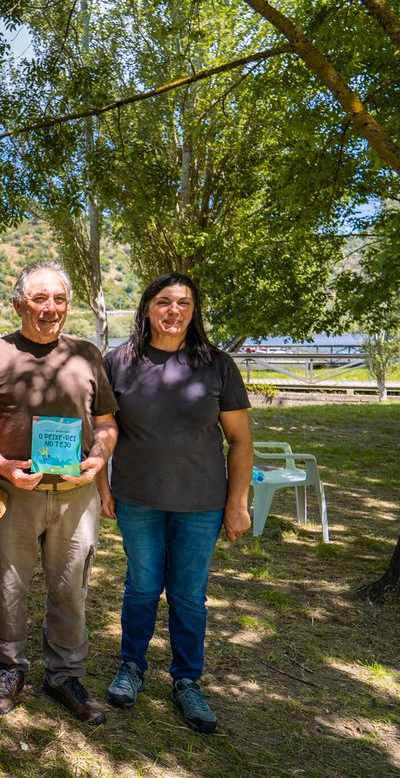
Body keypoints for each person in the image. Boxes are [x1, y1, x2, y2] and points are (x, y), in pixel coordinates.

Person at [98, 272, 252, 733]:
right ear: (146, 308)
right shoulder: (118, 362)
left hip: (202, 502)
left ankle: (187, 681)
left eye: (184, 303)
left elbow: (240, 441)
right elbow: (103, 431)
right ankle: (131, 667)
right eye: (163, 301)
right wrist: (102, 487)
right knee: (142, 587)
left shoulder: (217, 364)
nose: (174, 311)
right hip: (137, 498)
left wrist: (237, 502)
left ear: (194, 311)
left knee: (188, 595)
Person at [0, 261, 118, 725]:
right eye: (39, 298)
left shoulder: (87, 355)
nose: (50, 308)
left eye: (58, 298)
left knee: (71, 587)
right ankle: (9, 669)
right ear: (19, 303)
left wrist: (98, 458)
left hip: (75, 496)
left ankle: (65, 674)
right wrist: (1, 467)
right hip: (13, 495)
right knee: (9, 587)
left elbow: (109, 424)